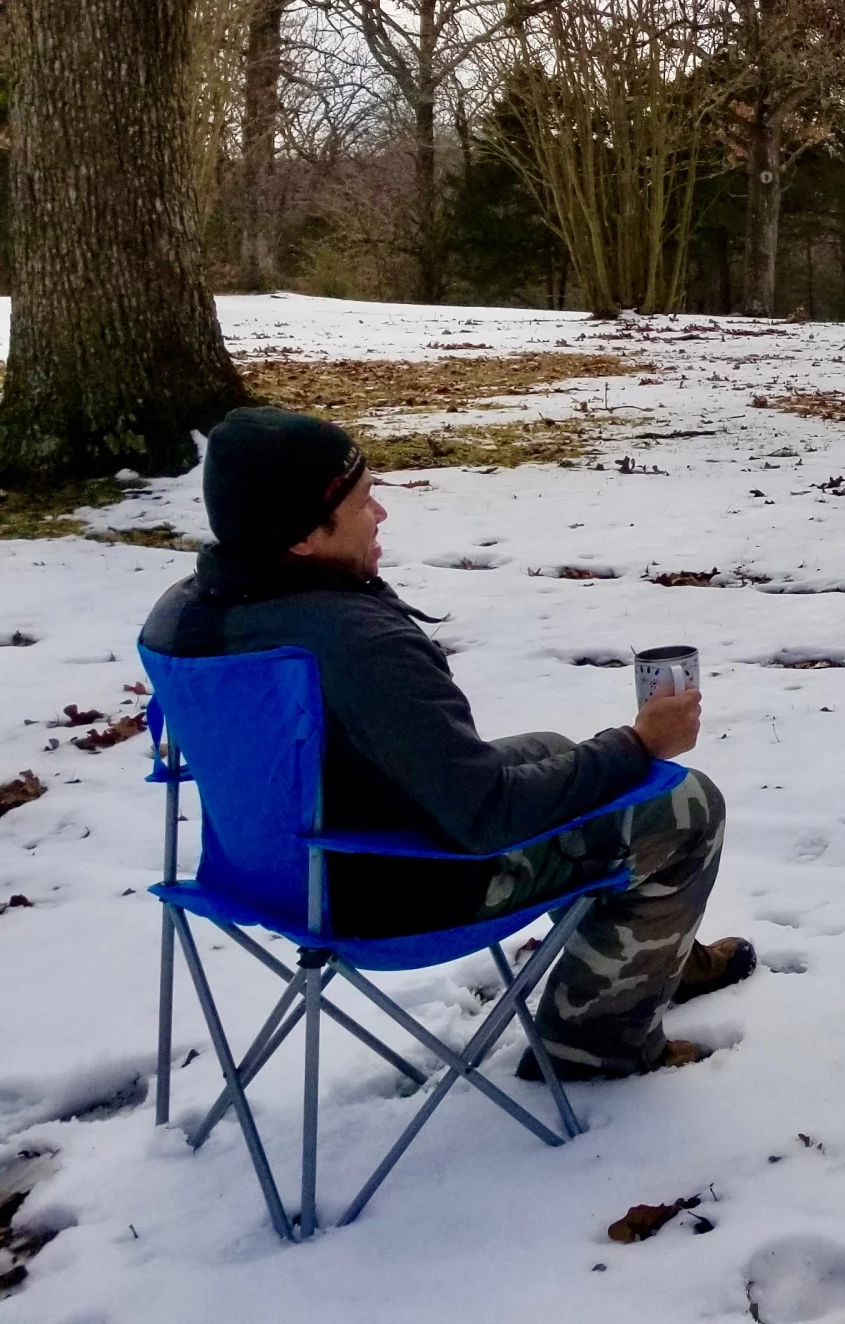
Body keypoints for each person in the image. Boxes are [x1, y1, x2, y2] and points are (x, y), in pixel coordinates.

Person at [141, 407, 752, 1081]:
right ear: (305, 538)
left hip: (274, 873)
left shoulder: (185, 614)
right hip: (403, 887)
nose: (380, 514)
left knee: (552, 748)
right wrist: (638, 744)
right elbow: (486, 815)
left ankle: (649, 960)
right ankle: (595, 1044)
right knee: (687, 806)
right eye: (361, 502)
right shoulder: (355, 643)